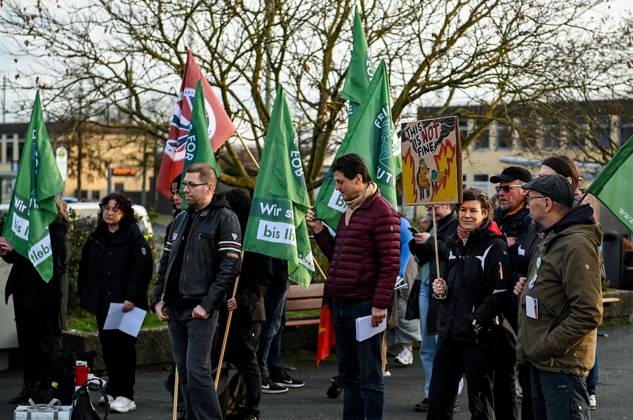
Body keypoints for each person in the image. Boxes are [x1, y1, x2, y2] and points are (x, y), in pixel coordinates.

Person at [306, 153, 400, 420]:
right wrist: (320, 231)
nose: (337, 188)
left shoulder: (382, 212)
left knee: (370, 377)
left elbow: (390, 263)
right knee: (349, 376)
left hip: (365, 306)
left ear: (358, 179)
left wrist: (380, 303)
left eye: (340, 182)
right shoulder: (350, 210)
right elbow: (340, 256)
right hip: (343, 303)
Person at [152, 163, 242, 420]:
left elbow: (230, 266)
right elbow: (166, 262)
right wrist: (157, 298)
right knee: (185, 371)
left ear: (209, 187)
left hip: (200, 309)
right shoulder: (180, 218)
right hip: (174, 308)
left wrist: (208, 304)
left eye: (192, 185)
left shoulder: (225, 218)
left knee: (198, 371)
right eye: (185, 185)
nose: (185, 190)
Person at [515, 174, 603, 420]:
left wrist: (544, 346)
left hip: (560, 365)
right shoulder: (555, 237)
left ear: (547, 203)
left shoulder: (576, 244)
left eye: (530, 198)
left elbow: (588, 312)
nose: (526, 203)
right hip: (544, 362)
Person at [427, 188, 511, 420]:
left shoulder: (496, 246)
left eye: (473, 210)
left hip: (478, 338)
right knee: (438, 400)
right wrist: (441, 292)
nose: (466, 215)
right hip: (449, 334)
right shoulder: (453, 242)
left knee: (480, 405)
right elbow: (455, 287)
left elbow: (500, 292)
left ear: (484, 213)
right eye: (463, 209)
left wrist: (476, 320)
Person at [77, 192, 153, 413]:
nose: (109, 213)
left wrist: (131, 296)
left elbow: (142, 269)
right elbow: (85, 268)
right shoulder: (97, 236)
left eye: (115, 210)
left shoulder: (133, 237)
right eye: (106, 209)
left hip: (128, 305)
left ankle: (126, 395)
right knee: (109, 349)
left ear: (124, 213)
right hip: (104, 304)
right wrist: (86, 295)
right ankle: (112, 390)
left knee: (125, 350)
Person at [1, 196, 69, 404]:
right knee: (27, 343)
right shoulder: (29, 224)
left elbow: (45, 260)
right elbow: (19, 259)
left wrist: (16, 251)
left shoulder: (56, 227)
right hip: (24, 292)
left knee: (44, 344)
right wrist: (7, 251)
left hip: (43, 295)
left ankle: (46, 388)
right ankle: (29, 386)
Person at [222, 188, 273, 420]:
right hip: (226, 309)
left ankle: (252, 407)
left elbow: (263, 279)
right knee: (227, 358)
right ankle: (231, 400)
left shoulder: (254, 239)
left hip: (248, 312)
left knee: (247, 361)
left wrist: (240, 299)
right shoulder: (229, 234)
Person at [490, 166, 533, 420]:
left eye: (507, 188)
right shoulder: (495, 217)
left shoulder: (531, 220)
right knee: (501, 373)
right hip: (498, 304)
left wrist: (504, 250)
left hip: (521, 305)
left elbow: (526, 260)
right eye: (499, 188)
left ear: (525, 191)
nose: (501, 193)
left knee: (526, 374)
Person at [406, 204, 457, 412]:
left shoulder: (457, 224)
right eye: (429, 206)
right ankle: (431, 394)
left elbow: (453, 252)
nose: (431, 209)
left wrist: (431, 242)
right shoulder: (433, 224)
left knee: (444, 346)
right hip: (426, 286)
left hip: (443, 289)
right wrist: (419, 244)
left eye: (435, 206)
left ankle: (449, 395)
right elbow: (426, 256)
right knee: (427, 347)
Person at [389, 216, 420, 367]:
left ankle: (407, 350)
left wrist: (400, 272)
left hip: (405, 266)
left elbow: (408, 243)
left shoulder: (401, 222)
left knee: (403, 305)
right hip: (390, 266)